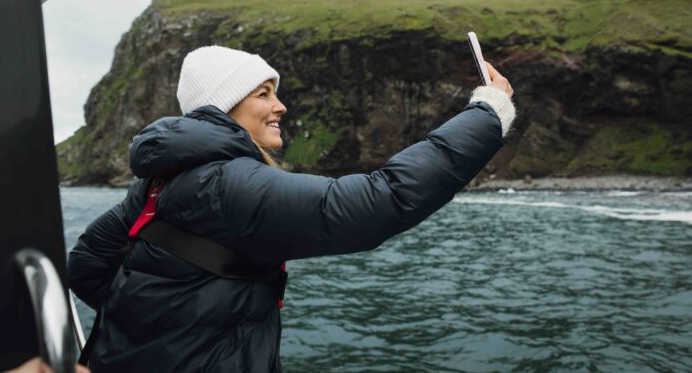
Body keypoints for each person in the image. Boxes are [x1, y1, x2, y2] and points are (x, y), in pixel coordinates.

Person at [68, 46, 516, 372]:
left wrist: (156, 331)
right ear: (224, 107)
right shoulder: (228, 185)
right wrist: (487, 112)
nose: (280, 105)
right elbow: (382, 201)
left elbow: (87, 266)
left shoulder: (158, 181)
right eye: (263, 94)